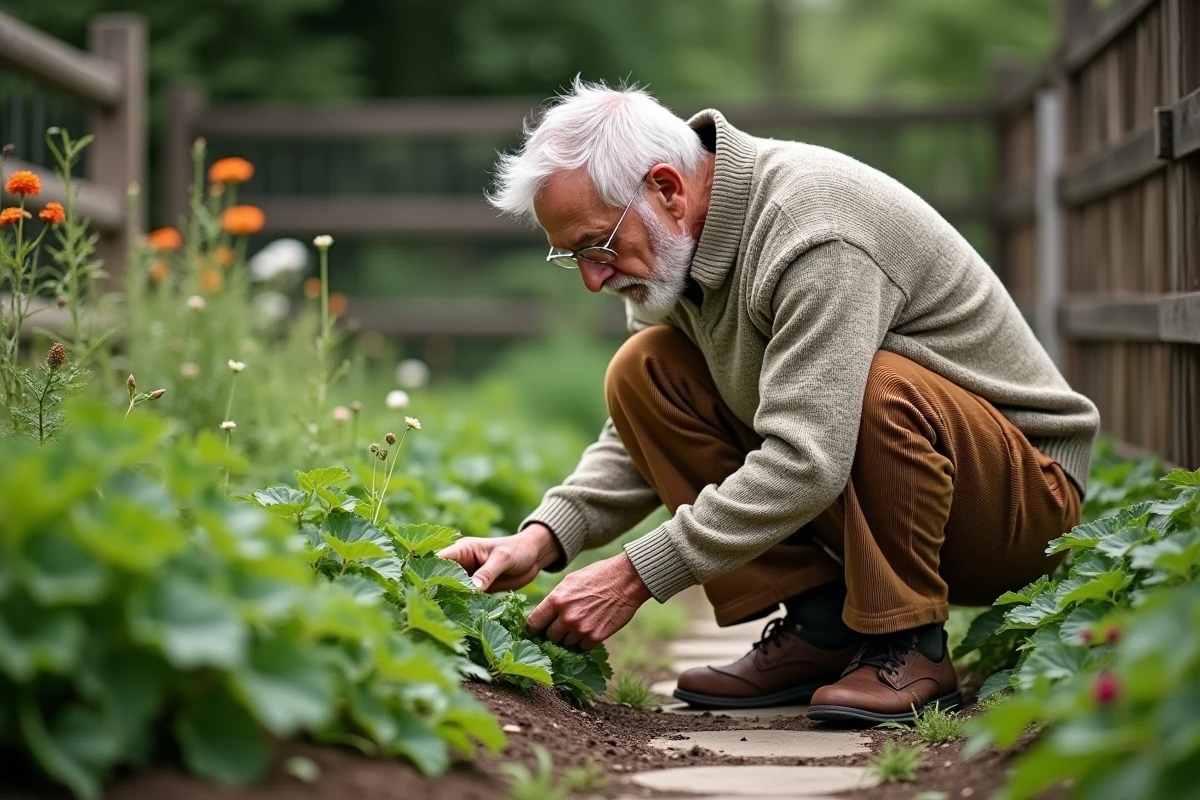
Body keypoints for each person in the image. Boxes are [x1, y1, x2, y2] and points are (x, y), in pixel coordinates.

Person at [438, 78, 1099, 725]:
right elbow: (638, 436)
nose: (592, 278)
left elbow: (809, 459)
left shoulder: (814, 233)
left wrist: (635, 574)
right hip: (906, 486)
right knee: (643, 370)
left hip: (1020, 509)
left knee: (873, 386)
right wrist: (543, 537)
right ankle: (820, 628)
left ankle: (908, 644)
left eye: (598, 245)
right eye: (569, 256)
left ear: (666, 189)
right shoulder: (676, 256)